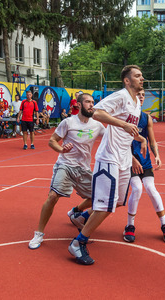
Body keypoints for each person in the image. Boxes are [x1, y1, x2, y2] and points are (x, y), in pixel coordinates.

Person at [68, 65, 146, 265]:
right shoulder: (120, 96)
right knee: (105, 205)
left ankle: (81, 216)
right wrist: (122, 124)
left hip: (124, 159)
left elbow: (128, 130)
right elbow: (96, 112)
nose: (141, 78)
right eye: (137, 76)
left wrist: (139, 140)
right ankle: (78, 243)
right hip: (109, 157)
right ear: (127, 80)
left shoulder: (137, 102)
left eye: (141, 75)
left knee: (119, 201)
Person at [28, 93, 105, 249]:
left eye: (93, 102)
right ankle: (39, 233)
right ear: (78, 104)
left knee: (99, 198)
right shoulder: (68, 122)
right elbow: (52, 141)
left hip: (83, 169)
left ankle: (76, 214)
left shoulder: (97, 125)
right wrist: (62, 150)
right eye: (88, 102)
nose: (91, 105)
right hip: (65, 165)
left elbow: (111, 138)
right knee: (52, 196)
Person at [124, 89, 165, 243]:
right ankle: (129, 226)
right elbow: (120, 142)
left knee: (151, 188)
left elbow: (152, 141)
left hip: (144, 160)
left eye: (143, 95)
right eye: (138, 94)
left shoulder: (146, 118)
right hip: (129, 160)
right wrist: (131, 158)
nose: (141, 96)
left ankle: (164, 224)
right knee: (137, 189)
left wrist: (157, 155)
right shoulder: (125, 118)